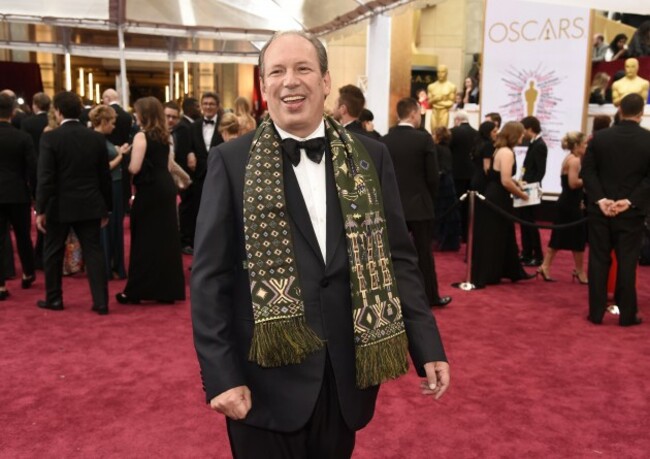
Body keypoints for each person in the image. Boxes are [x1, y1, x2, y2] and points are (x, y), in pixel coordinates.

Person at [191, 30, 449, 459]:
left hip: (345, 377)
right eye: (277, 71)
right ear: (263, 85)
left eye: (303, 68)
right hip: (262, 385)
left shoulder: (370, 157)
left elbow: (399, 258)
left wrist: (426, 344)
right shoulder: (231, 162)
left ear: (326, 81)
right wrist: (220, 374)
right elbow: (208, 279)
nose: (290, 81)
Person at [35, 91, 112, 314]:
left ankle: (54, 299)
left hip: (59, 205)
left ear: (58, 111)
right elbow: (104, 176)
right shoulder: (96, 138)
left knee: (53, 252)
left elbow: (46, 177)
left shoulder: (50, 138)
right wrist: (106, 207)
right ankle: (101, 302)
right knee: (94, 252)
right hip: (90, 203)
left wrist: (40, 208)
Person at [581, 93, 650, 326]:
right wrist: (629, 201)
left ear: (620, 110)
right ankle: (627, 314)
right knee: (628, 261)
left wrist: (601, 199)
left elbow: (588, 171)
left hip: (600, 211)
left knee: (599, 260)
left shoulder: (599, 138)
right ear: (641, 114)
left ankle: (596, 312)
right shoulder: (648, 140)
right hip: (631, 213)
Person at [382, 97, 452, 307]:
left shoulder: (385, 140)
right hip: (420, 205)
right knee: (424, 254)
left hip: (392, 207)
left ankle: (392, 299)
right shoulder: (423, 140)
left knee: (391, 254)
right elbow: (433, 176)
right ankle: (430, 296)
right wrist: (430, 197)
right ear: (413, 114)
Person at [115, 97, 185, 305]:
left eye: (137, 112)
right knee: (166, 239)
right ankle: (167, 290)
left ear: (143, 114)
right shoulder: (165, 136)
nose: (135, 116)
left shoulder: (141, 136)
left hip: (150, 190)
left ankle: (135, 291)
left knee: (144, 240)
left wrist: (123, 155)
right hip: (165, 188)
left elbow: (134, 168)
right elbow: (169, 165)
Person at [471, 121, 535, 288]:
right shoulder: (506, 152)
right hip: (498, 197)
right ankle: (492, 272)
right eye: (521, 134)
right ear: (514, 135)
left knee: (502, 234)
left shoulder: (499, 150)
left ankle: (507, 270)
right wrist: (522, 195)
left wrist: (517, 184)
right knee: (496, 234)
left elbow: (500, 177)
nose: (523, 136)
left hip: (495, 194)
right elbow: (505, 181)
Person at [0, 92, 37, 300]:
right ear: (13, 113)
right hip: (18, 193)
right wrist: (33, 192)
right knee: (23, 236)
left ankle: (1, 286)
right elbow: (33, 168)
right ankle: (28, 273)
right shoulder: (23, 137)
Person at [537, 132, 588, 283]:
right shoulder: (574, 161)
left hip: (568, 202)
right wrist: (588, 179)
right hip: (569, 205)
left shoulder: (570, 158)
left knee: (560, 237)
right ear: (577, 146)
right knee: (576, 238)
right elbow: (573, 183)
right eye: (584, 144)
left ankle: (546, 266)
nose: (586, 147)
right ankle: (579, 271)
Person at [89, 104, 129, 280]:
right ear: (103, 121)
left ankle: (113, 264)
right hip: (110, 186)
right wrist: (121, 156)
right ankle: (108, 266)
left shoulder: (102, 139)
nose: (114, 126)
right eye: (112, 122)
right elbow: (103, 167)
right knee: (108, 226)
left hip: (115, 185)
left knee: (114, 226)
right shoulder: (96, 139)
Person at [185, 91, 224, 254]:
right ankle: (197, 245)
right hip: (199, 174)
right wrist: (190, 153)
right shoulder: (193, 125)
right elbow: (188, 147)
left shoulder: (224, 124)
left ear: (217, 106)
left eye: (211, 104)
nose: (208, 107)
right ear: (201, 106)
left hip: (219, 174)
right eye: (205, 104)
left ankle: (217, 245)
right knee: (198, 209)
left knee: (218, 211)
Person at [518, 116, 547, 267]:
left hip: (531, 190)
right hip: (526, 187)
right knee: (524, 222)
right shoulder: (533, 143)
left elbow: (540, 171)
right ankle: (527, 252)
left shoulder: (540, 145)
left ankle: (537, 254)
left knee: (530, 223)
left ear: (530, 129)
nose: (523, 133)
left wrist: (530, 187)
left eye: (524, 130)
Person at [449, 110, 479, 242]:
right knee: (469, 205)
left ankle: (456, 233)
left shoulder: (453, 132)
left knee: (456, 204)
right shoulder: (476, 133)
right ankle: (468, 234)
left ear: (457, 120)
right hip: (472, 173)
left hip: (456, 173)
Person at [433, 126, 461, 251]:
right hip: (448, 181)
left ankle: (440, 238)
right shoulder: (446, 149)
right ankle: (446, 240)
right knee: (448, 212)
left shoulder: (437, 148)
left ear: (438, 136)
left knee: (440, 210)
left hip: (442, 182)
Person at [470, 120, 497, 192]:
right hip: (484, 180)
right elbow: (486, 167)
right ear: (488, 132)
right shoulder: (488, 145)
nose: (496, 134)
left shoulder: (478, 143)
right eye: (494, 132)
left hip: (476, 177)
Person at [427, 64, 456, 131]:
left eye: (442, 72)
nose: (440, 74)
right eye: (438, 72)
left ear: (446, 73)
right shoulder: (431, 86)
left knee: (442, 133)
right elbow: (429, 102)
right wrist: (436, 99)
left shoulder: (451, 86)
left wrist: (437, 102)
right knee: (433, 133)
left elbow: (451, 103)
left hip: (444, 112)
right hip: (434, 113)